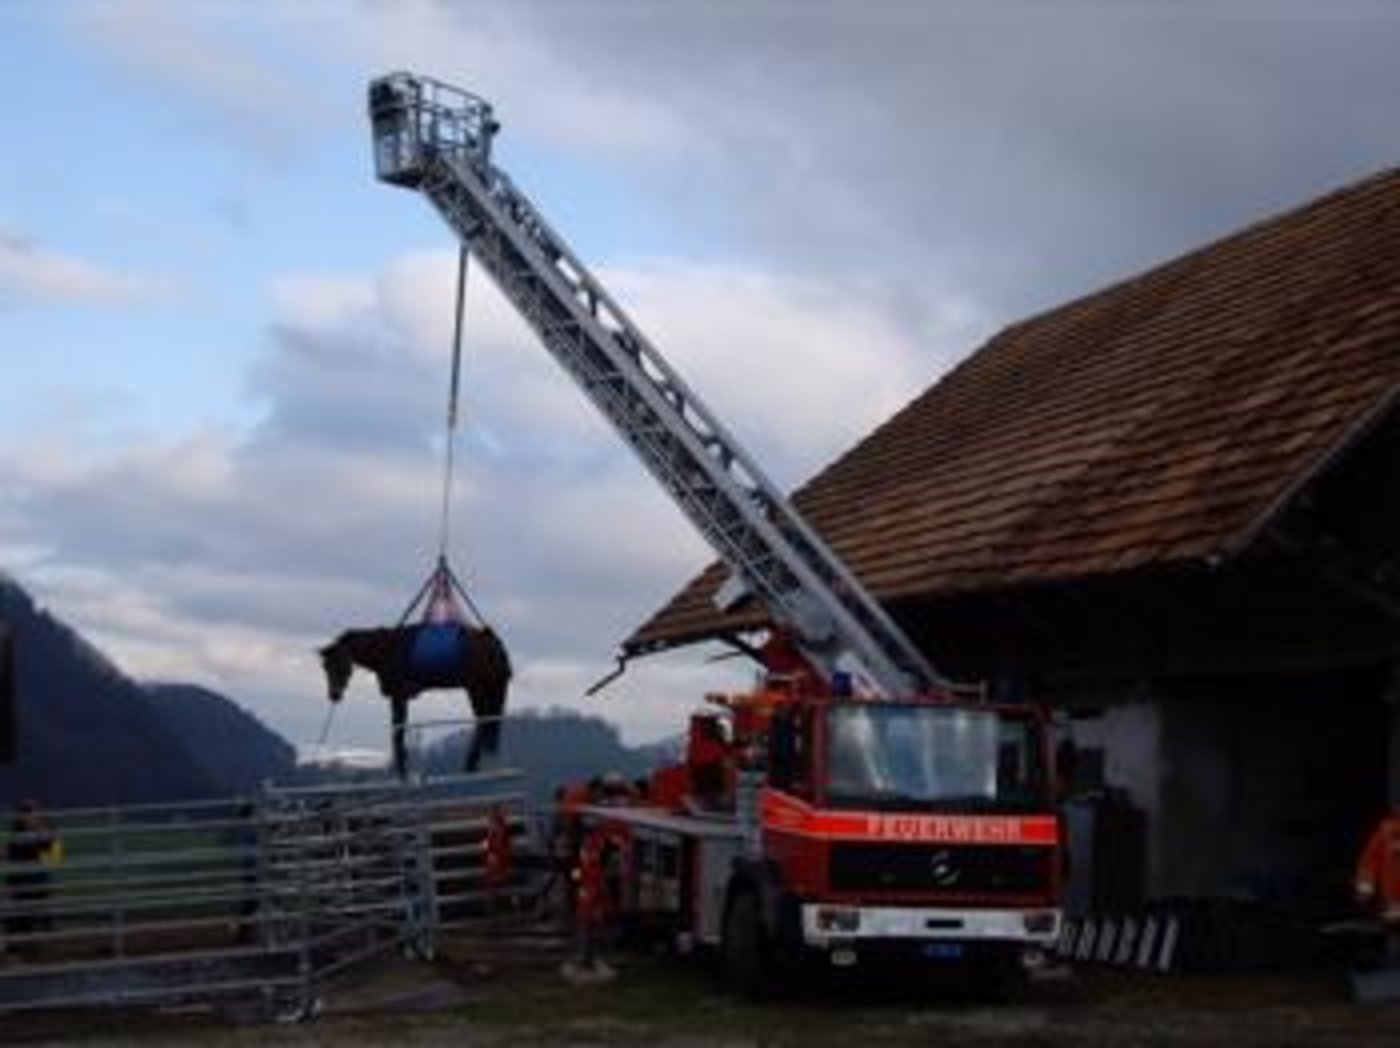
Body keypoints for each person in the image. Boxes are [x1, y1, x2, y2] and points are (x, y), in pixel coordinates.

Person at [6, 801, 57, 954]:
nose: (31, 817)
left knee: (33, 909)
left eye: (32, 813)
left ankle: (35, 941)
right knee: (21, 913)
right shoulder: (17, 832)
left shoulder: (41, 830)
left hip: (35, 878)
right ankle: (19, 945)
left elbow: (52, 851)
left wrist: (42, 832)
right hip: (23, 879)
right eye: (27, 813)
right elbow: (14, 853)